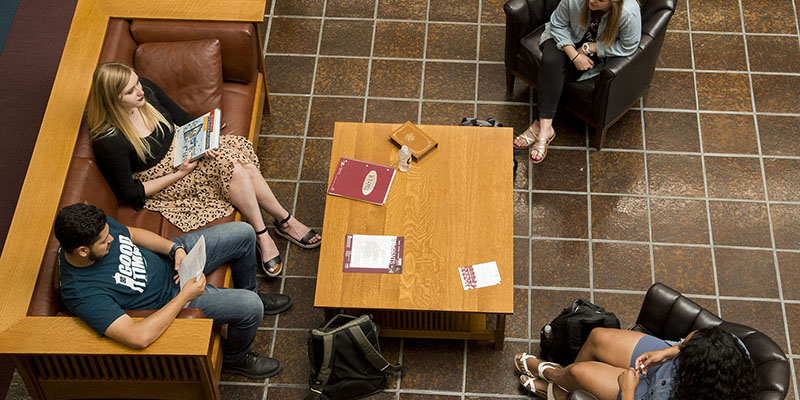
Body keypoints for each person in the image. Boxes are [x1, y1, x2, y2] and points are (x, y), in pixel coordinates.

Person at [87, 62, 321, 278]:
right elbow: (130, 192)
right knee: (239, 170)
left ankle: (282, 220)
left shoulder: (145, 90)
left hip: (183, 149)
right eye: (130, 91)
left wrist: (203, 140)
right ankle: (266, 233)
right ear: (112, 99)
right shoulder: (109, 140)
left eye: (137, 82)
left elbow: (181, 117)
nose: (140, 91)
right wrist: (179, 173)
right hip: (163, 178)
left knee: (244, 168)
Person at [54, 203, 291, 379]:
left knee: (243, 232)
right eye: (105, 241)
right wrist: (184, 296)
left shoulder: (96, 228)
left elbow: (133, 234)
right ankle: (235, 358)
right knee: (251, 307)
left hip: (173, 261)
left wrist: (174, 249)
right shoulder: (82, 292)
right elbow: (138, 337)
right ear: (83, 251)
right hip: (172, 299)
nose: (113, 240)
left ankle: (250, 288)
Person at [512, 0, 641, 163]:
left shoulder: (629, 12)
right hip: (565, 36)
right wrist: (574, 55)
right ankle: (545, 128)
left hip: (597, 48)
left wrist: (591, 48)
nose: (592, 0)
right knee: (551, 62)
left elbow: (629, 46)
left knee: (556, 75)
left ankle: (540, 126)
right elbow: (557, 24)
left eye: (600, 0)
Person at [513, 326, 758, 400]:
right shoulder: (732, 348)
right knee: (598, 337)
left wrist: (628, 389)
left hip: (644, 395)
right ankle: (561, 380)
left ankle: (556, 383)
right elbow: (694, 339)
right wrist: (669, 352)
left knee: (579, 371)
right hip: (662, 362)